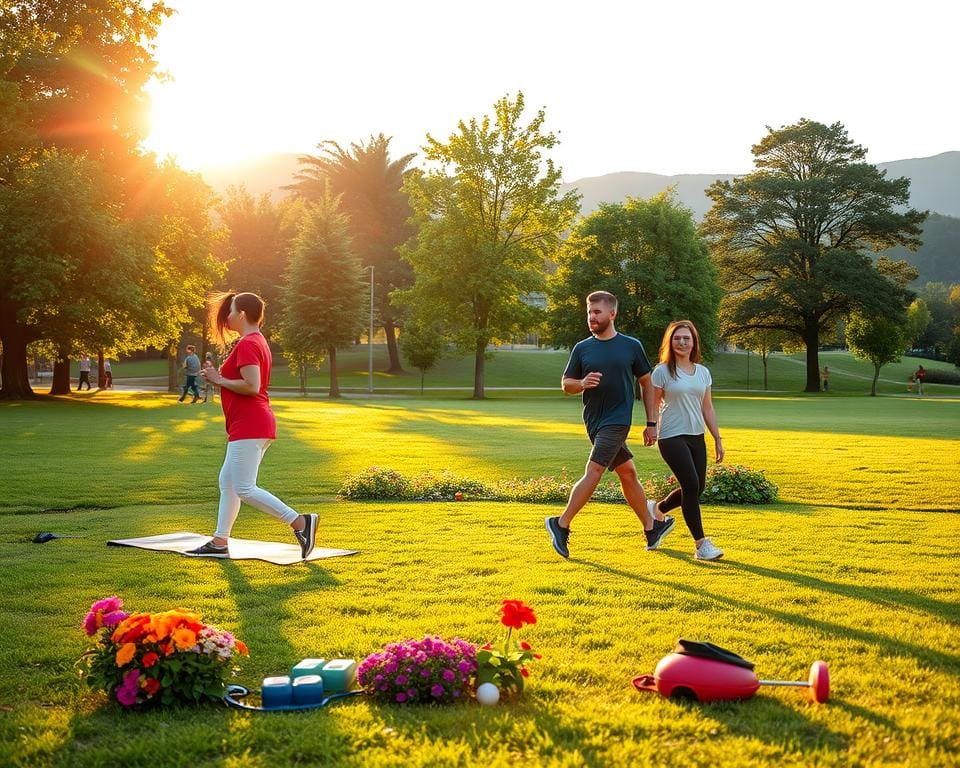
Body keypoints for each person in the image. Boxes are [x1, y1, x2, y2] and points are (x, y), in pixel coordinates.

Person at [187, 291, 317, 559]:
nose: (228, 317)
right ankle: (220, 541)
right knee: (229, 482)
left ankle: (301, 523)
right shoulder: (256, 340)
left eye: (231, 311)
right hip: (251, 424)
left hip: (250, 424)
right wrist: (219, 376)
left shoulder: (248, 343)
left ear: (242, 314)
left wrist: (218, 379)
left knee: (244, 488)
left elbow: (252, 386)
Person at [545, 291, 674, 559]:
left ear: (612, 314)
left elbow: (647, 383)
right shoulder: (582, 348)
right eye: (589, 313)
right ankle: (562, 523)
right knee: (622, 473)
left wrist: (652, 422)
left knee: (605, 472)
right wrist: (581, 384)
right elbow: (566, 383)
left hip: (618, 421)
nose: (592, 317)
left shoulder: (631, 346)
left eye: (597, 312)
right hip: (594, 422)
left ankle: (565, 524)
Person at [649, 320, 724, 561]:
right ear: (670, 342)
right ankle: (701, 545)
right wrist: (651, 426)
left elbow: (708, 408)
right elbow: (652, 402)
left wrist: (717, 438)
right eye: (677, 338)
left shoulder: (703, 372)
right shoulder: (662, 371)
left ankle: (657, 510)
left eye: (686, 338)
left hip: (696, 436)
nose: (682, 342)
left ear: (693, 342)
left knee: (696, 488)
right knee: (691, 485)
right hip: (671, 435)